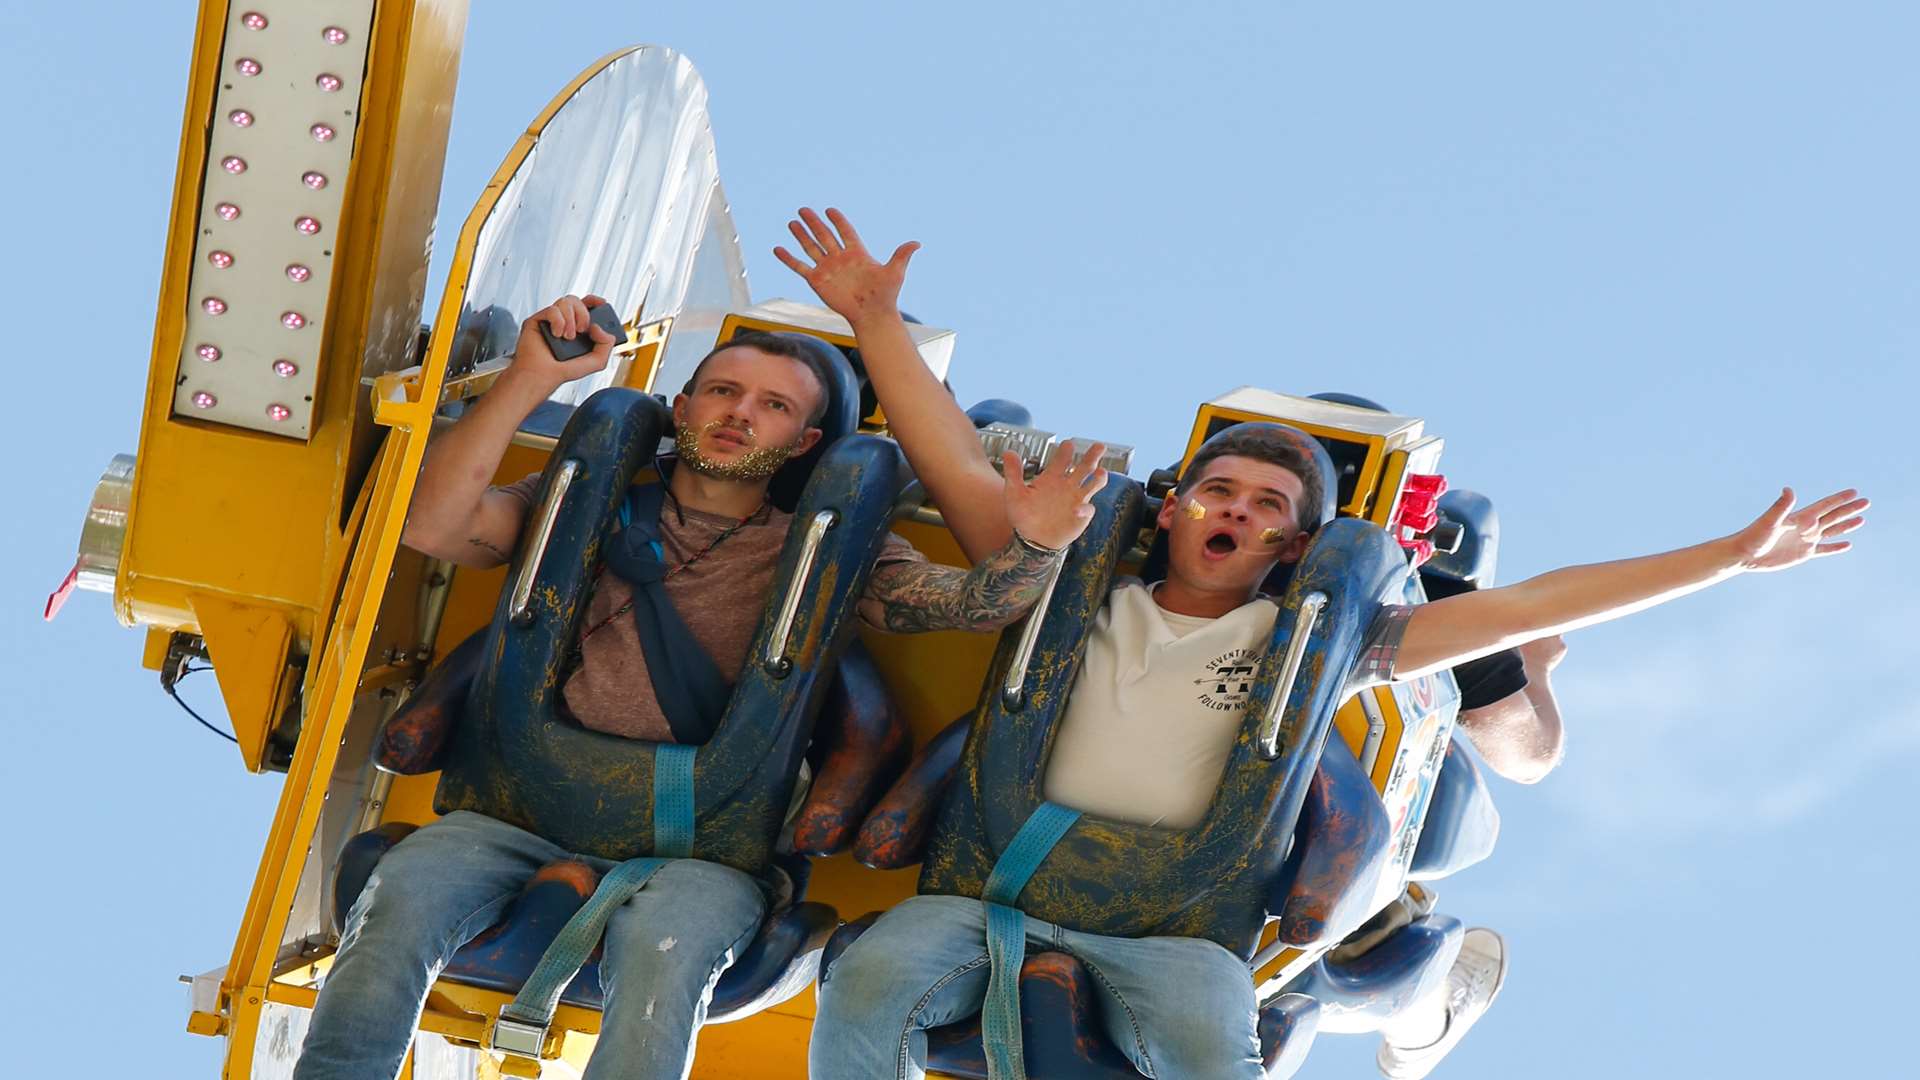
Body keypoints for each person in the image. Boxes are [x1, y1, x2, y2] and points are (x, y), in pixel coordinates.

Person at [775, 207, 1868, 1079]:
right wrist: (876, 322)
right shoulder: (1068, 579)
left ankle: (1424, 992)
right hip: (998, 892)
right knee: (867, 990)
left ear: (1297, 543)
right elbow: (953, 456)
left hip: (1177, 926)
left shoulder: (1336, 642)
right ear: (1171, 507)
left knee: (1244, 1023)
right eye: (1219, 489)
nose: (1237, 513)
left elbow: (1538, 601)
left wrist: (1726, 557)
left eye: (1266, 505)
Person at [293, 294, 1114, 1080]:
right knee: (395, 910)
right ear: (681, 409)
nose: (740, 413)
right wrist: (533, 380)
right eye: (722, 391)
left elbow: (974, 608)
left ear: (804, 443)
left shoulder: (825, 554)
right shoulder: (584, 503)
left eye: (772, 406)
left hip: (697, 849)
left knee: (665, 960)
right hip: (515, 814)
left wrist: (1037, 545)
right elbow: (436, 526)